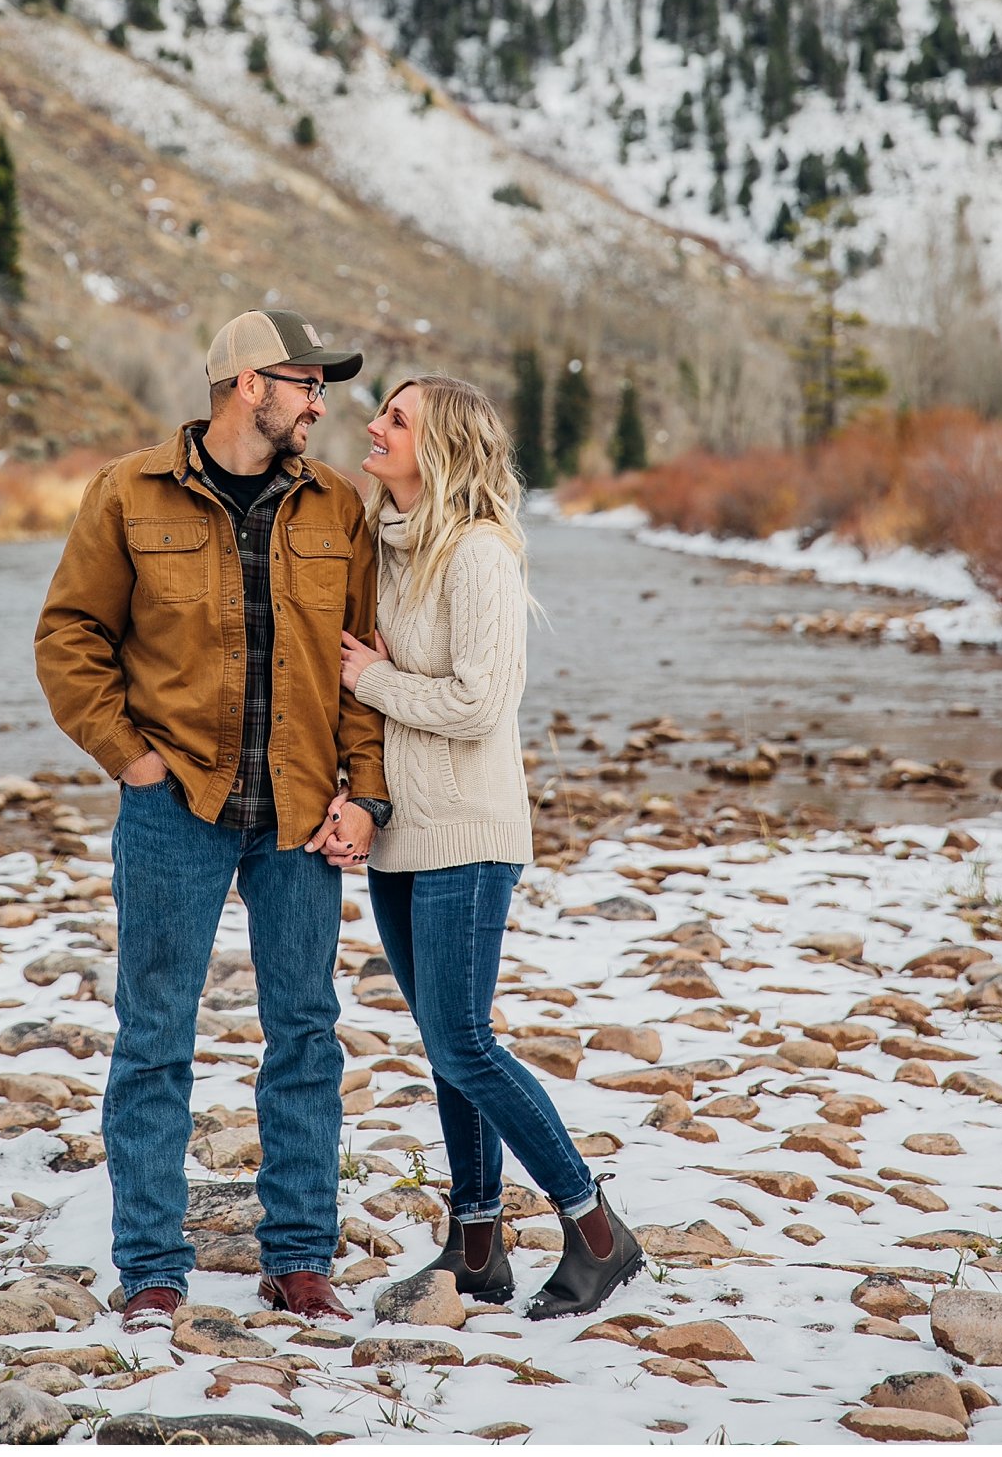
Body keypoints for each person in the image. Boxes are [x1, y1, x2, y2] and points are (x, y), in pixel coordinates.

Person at [35, 308, 391, 1333]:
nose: (320, 401)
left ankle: (300, 1260)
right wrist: (128, 755)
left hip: (296, 814)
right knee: (154, 1037)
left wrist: (361, 794)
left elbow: (362, 664)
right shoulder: (128, 491)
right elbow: (69, 637)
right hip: (173, 810)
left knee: (307, 1035)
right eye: (305, 382)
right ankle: (150, 1268)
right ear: (248, 384)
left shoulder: (337, 507)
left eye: (324, 385)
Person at [340, 374, 644, 1319]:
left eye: (398, 418)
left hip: (469, 832)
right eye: (381, 411)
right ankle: (476, 1244)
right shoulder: (385, 546)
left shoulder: (477, 553)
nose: (375, 425)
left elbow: (480, 703)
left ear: (443, 450)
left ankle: (596, 1228)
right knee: (443, 1046)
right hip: (402, 832)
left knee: (466, 1041)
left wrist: (376, 680)